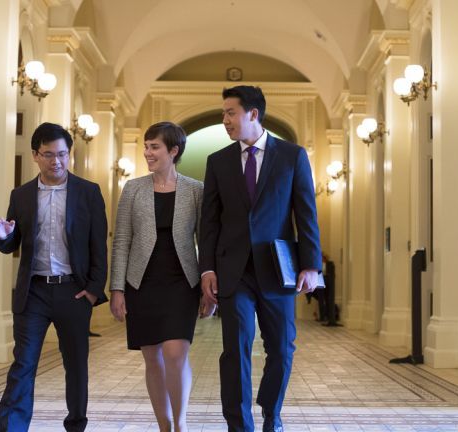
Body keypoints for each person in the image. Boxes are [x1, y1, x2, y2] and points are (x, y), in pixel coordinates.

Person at [200, 86, 322, 432]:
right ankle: (239, 424)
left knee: (282, 349)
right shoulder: (218, 161)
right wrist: (207, 268)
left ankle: (271, 413)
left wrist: (310, 265)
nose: (224, 120)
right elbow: (208, 222)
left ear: (253, 114)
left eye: (230, 113)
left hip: (277, 269)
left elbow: (306, 212)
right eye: (224, 113)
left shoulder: (292, 156)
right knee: (235, 350)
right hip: (232, 271)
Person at [0, 122, 108, 432]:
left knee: (75, 366)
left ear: (69, 154)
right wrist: (4, 236)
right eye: (48, 155)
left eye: (62, 154)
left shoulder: (88, 192)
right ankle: (13, 427)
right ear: (35, 155)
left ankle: (76, 425)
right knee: (23, 364)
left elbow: (99, 244)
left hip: (74, 292)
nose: (56, 162)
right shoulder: (21, 195)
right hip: (34, 293)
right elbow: (11, 244)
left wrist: (94, 290)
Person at [109, 122, 211, 432]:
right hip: (142, 282)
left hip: (182, 283)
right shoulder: (133, 188)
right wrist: (117, 289)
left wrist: (208, 285)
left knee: (176, 353)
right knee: (152, 357)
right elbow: (122, 239)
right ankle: (164, 425)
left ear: (173, 151)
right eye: (146, 146)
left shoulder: (195, 190)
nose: (147, 152)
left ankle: (180, 423)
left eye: (155, 147)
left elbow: (205, 240)